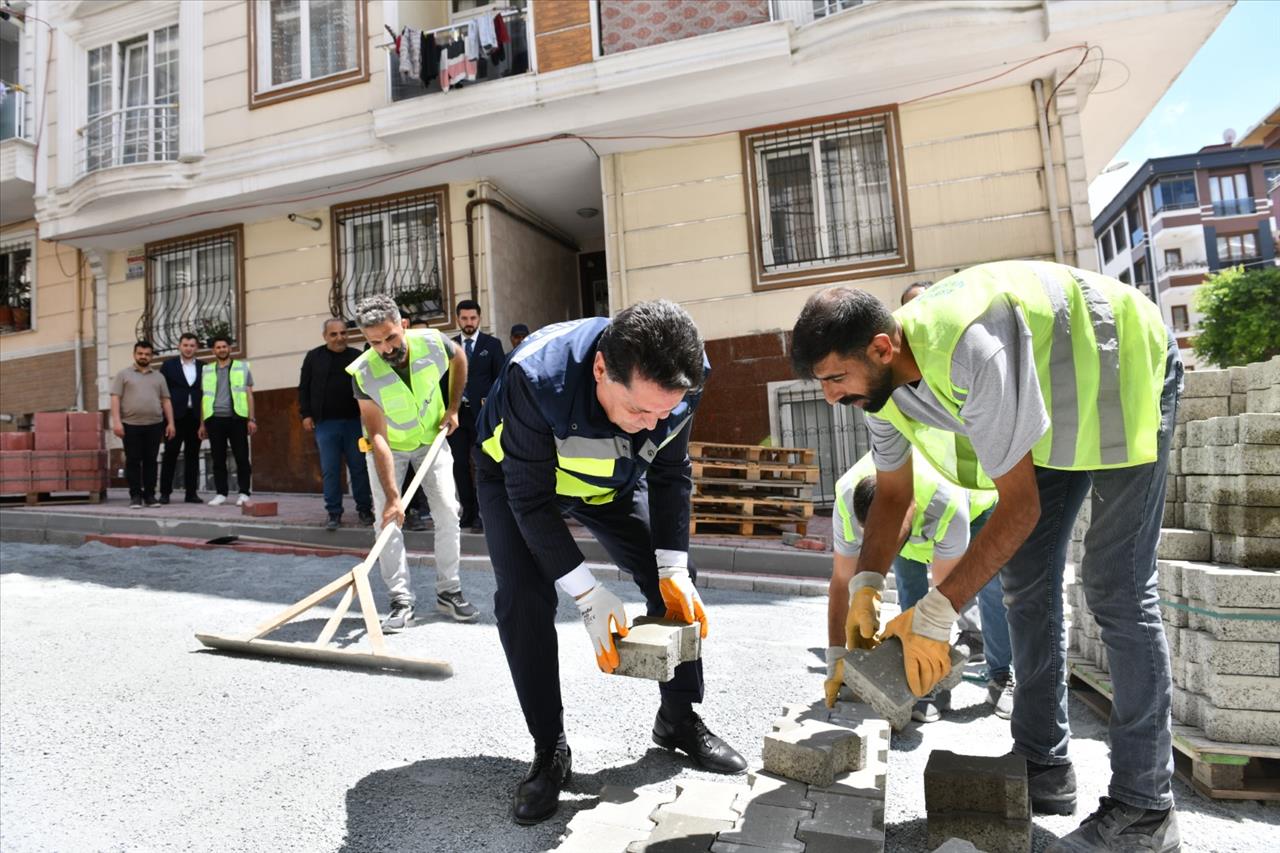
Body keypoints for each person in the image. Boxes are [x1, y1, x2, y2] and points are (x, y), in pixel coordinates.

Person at [791, 260, 1182, 853]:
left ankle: (1144, 810)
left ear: (879, 347)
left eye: (834, 378)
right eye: (821, 383)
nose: (829, 395)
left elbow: (1017, 509)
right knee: (1025, 580)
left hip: (1123, 363)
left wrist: (935, 613)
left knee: (1116, 584)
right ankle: (1044, 763)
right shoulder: (882, 388)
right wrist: (867, 585)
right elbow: (894, 492)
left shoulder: (969, 347)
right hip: (1051, 402)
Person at [475, 300, 747, 827]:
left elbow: (670, 472)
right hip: (519, 479)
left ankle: (677, 717)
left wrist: (672, 568)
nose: (652, 424)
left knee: (671, 585)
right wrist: (585, 591)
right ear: (601, 368)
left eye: (664, 412)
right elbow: (529, 501)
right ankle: (549, 749)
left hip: (608, 481)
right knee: (524, 598)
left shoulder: (682, 377)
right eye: (639, 411)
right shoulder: (536, 377)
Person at [825, 451, 1014, 722]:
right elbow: (842, 582)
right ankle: (927, 686)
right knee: (909, 587)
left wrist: (933, 647)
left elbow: (944, 598)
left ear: (907, 516)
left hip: (977, 504)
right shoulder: (846, 498)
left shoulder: (947, 503)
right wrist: (836, 658)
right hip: (914, 513)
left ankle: (1000, 675)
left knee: (991, 589)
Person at [349, 295, 478, 630]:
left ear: (403, 325)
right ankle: (400, 599)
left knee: (449, 512)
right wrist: (393, 496)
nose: (387, 348)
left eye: (391, 337)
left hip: (431, 443)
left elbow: (460, 358)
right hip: (389, 448)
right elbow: (377, 436)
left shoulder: (434, 343)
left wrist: (453, 407)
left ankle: (449, 591)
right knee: (388, 521)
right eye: (375, 342)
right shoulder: (363, 372)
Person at [300, 318, 375, 531]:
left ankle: (364, 509)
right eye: (334, 334)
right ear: (325, 336)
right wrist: (306, 414)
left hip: (354, 423)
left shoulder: (356, 356)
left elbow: (369, 387)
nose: (339, 338)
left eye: (343, 333)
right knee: (330, 470)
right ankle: (333, 513)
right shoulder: (314, 357)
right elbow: (304, 388)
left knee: (359, 468)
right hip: (325, 424)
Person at [451, 298, 505, 533]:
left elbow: (500, 381)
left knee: (485, 464)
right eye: (464, 318)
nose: (469, 322)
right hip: (457, 416)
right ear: (458, 319)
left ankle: (485, 514)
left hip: (483, 416)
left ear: (479, 318)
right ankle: (468, 512)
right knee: (459, 465)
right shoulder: (450, 346)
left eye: (473, 318)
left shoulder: (491, 344)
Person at [111, 340, 176, 509]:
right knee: (133, 461)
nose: (143, 356)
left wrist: (171, 423)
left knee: (151, 461)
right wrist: (116, 422)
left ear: (152, 356)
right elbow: (115, 398)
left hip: (155, 424)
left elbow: (166, 401)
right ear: (134, 354)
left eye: (147, 354)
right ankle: (135, 496)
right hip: (130, 424)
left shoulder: (159, 377)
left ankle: (149, 495)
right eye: (140, 353)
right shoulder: (123, 375)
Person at [197, 335, 256, 506]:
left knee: (242, 457)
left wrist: (251, 419)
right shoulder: (207, 370)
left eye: (224, 346)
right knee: (218, 458)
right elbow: (204, 398)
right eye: (218, 347)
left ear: (229, 348)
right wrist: (202, 424)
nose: (222, 349)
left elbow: (249, 395)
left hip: (237, 419)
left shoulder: (241, 367)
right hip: (214, 420)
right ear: (213, 350)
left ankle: (244, 493)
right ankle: (221, 493)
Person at [158, 332, 203, 504]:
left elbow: (205, 394)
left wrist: (202, 423)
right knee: (170, 455)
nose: (189, 348)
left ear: (196, 347)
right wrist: (168, 421)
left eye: (192, 345)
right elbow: (163, 394)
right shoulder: (168, 366)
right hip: (174, 418)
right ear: (179, 346)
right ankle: (165, 493)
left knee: (193, 456)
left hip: (194, 417)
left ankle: (191, 493)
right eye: (185, 345)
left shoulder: (204, 367)